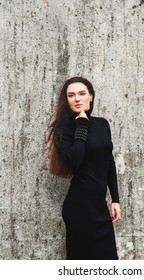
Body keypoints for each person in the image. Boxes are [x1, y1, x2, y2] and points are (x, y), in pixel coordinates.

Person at [48, 76, 121, 260]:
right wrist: (81, 124)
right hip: (79, 209)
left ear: (91, 96)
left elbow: (108, 162)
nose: (77, 98)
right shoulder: (64, 130)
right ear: (67, 101)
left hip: (99, 208)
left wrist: (115, 199)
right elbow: (75, 162)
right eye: (71, 95)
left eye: (82, 93)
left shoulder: (102, 124)